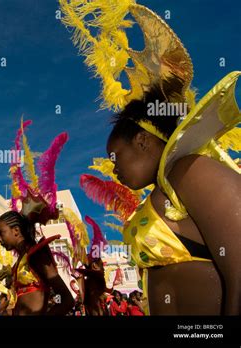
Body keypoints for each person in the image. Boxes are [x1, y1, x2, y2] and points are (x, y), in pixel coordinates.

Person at [59, 0, 241, 314]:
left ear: (142, 141)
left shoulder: (192, 171)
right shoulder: (167, 188)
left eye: (115, 156)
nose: (112, 169)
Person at [0, 211, 74, 315]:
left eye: (1, 233)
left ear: (16, 230)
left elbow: (67, 300)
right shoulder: (18, 263)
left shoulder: (36, 254)